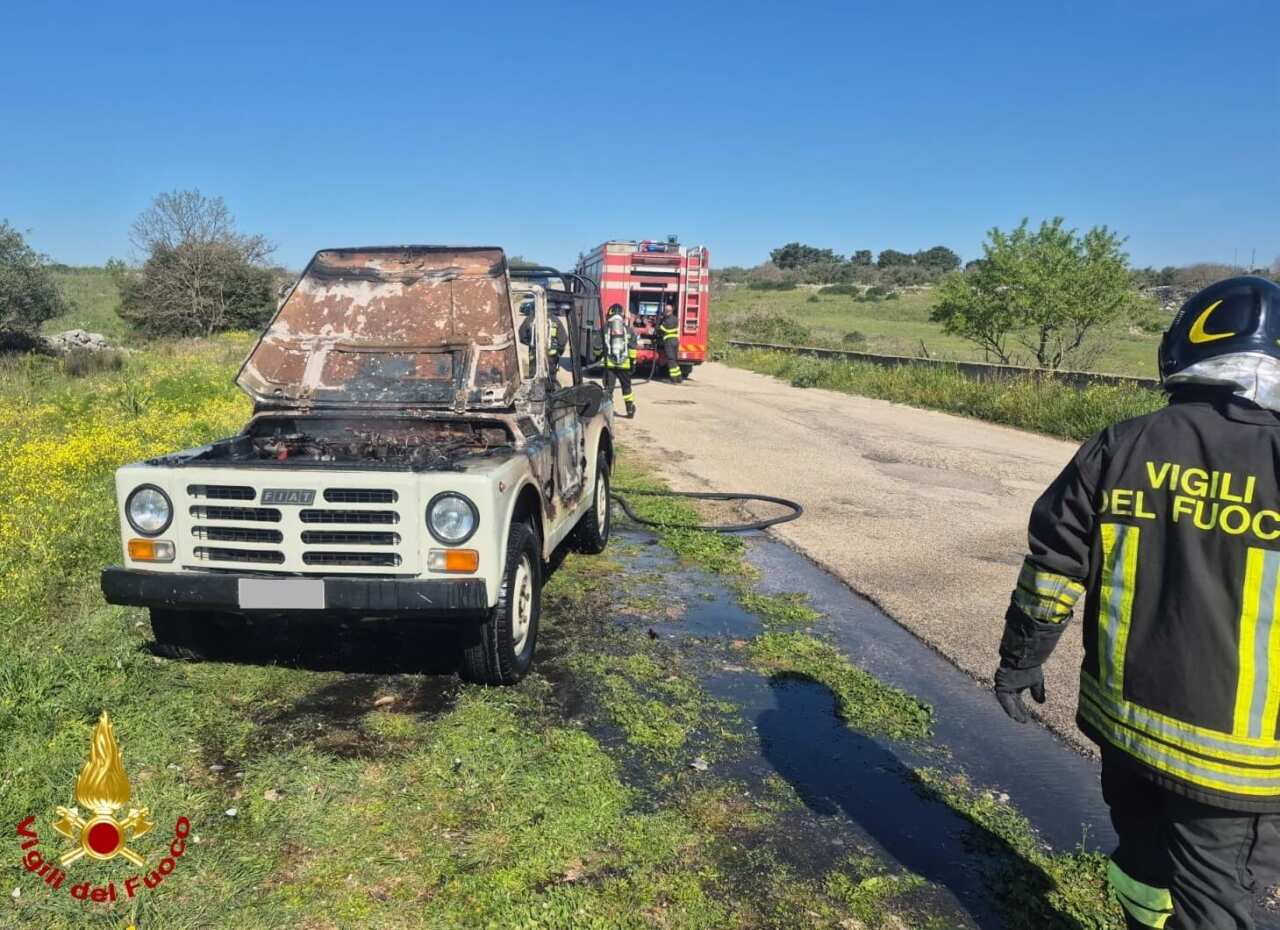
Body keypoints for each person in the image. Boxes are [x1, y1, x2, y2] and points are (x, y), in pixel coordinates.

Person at [994, 276, 1280, 930]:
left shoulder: (1121, 445)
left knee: (1143, 874)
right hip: (1240, 772)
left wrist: (1018, 662)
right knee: (1225, 910)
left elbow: (1052, 571)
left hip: (1126, 734)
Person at [602, 303, 636, 417]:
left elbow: (597, 347)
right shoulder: (628, 330)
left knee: (608, 389)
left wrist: (599, 357)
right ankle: (630, 409)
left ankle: (607, 412)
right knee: (626, 388)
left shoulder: (605, 328)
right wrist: (632, 362)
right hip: (624, 365)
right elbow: (632, 348)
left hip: (609, 365)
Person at [658, 303, 682, 383]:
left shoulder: (666, 321)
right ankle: (679, 378)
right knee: (675, 359)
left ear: (666, 311)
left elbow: (660, 329)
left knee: (671, 360)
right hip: (675, 341)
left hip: (669, 342)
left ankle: (673, 379)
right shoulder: (675, 318)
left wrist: (658, 322)